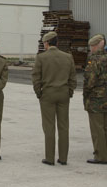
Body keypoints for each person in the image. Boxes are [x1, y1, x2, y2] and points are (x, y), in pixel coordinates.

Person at [32, 31, 77, 165]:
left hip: (47, 94)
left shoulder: (41, 58)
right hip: (63, 93)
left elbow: (36, 78)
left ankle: (49, 158)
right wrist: (69, 91)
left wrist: (38, 93)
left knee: (49, 127)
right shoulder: (68, 57)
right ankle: (63, 158)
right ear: (56, 42)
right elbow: (73, 78)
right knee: (64, 127)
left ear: (46, 43)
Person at [84, 34, 107, 164]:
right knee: (106, 126)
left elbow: (90, 81)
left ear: (95, 46)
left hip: (95, 98)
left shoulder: (94, 60)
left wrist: (86, 94)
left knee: (97, 128)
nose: (90, 49)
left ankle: (100, 156)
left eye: (91, 46)